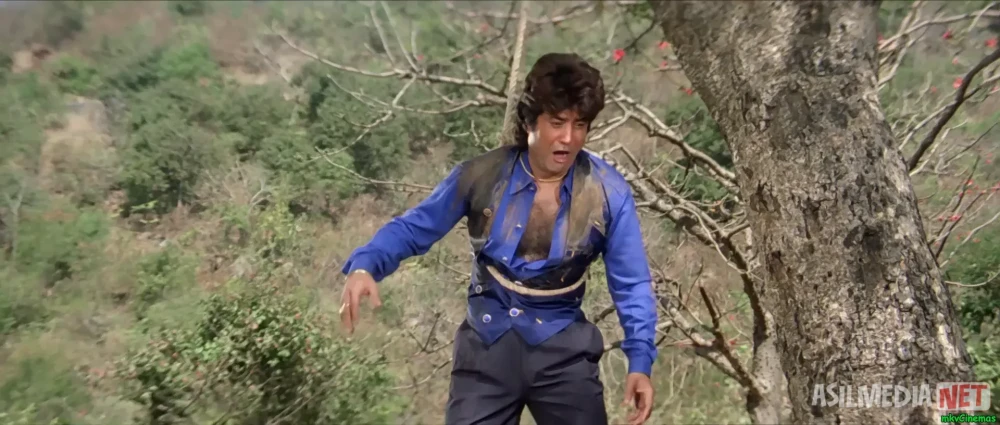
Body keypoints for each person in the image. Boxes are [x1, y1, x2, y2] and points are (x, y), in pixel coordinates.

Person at [338, 52, 658, 425]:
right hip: (484, 350)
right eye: (557, 122)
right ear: (529, 121)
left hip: (565, 355)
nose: (568, 138)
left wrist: (640, 361)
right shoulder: (481, 176)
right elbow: (413, 227)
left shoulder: (608, 193)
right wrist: (365, 265)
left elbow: (632, 283)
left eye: (580, 125)